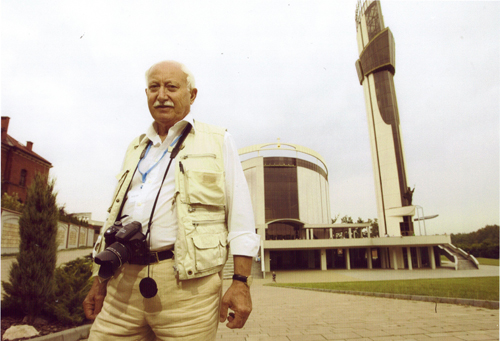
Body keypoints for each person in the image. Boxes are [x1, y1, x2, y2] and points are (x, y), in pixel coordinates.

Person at [83, 60, 260, 340]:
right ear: (146, 94)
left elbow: (241, 218)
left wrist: (241, 283)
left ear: (192, 95)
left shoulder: (218, 140)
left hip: (189, 290)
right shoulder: (136, 147)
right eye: (154, 87)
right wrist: (100, 281)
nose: (162, 95)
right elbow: (114, 215)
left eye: (171, 87)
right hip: (122, 285)